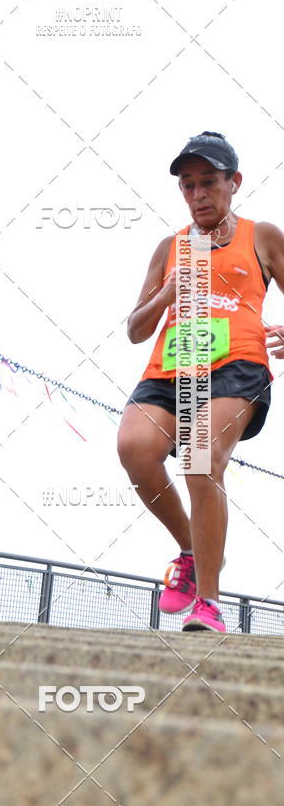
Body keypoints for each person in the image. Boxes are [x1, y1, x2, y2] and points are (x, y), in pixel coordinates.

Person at [117, 131, 284, 632]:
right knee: (133, 446)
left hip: (237, 364)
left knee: (199, 454)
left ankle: (208, 603)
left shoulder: (263, 236)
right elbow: (134, 329)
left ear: (233, 182)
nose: (197, 195)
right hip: (174, 364)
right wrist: (167, 293)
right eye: (187, 186)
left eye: (208, 182)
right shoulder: (171, 247)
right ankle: (192, 549)